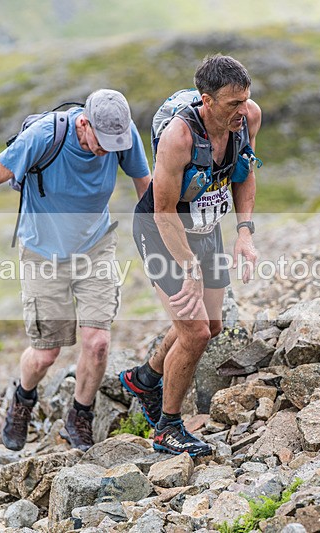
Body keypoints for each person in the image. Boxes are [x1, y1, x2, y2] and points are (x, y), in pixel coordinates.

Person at [0, 89, 150, 452]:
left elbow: (146, 188)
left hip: (95, 246)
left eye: (116, 144)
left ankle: (80, 414)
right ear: (83, 124)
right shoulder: (45, 136)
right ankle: (23, 398)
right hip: (42, 253)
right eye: (101, 143)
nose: (109, 151)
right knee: (46, 353)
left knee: (97, 343)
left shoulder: (123, 135)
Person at [121, 55, 261, 456]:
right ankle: (168, 427)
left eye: (245, 100)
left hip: (206, 227)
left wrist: (245, 232)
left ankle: (144, 378)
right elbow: (163, 212)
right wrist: (190, 269)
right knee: (194, 333)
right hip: (162, 230)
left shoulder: (248, 118)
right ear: (206, 100)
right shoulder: (179, 138)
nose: (242, 111)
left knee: (212, 325)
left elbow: (246, 170)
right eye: (232, 104)